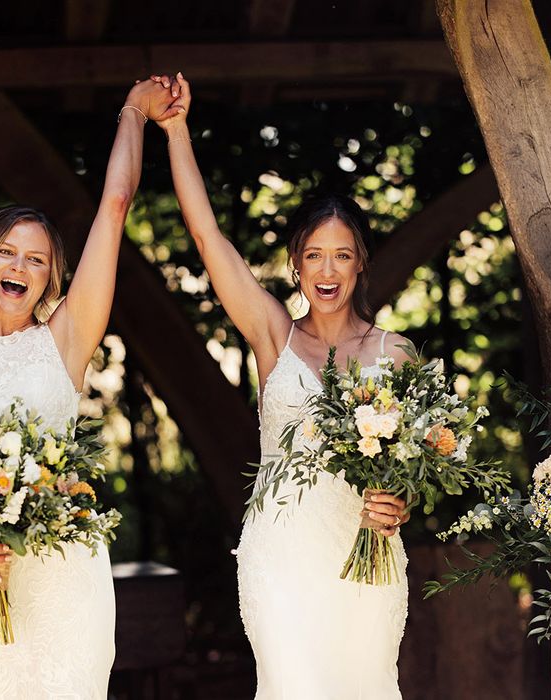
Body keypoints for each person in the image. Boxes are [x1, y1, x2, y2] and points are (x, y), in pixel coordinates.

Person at [0, 80, 181, 699]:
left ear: (52, 278)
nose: (19, 267)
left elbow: (115, 204)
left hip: (62, 582)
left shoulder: (65, 342)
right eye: (6, 253)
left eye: (37, 260)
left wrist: (134, 111)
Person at [151, 72, 410, 699]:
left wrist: (400, 505)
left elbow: (409, 470)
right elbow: (207, 238)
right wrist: (176, 130)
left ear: (360, 265)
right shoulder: (273, 335)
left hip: (366, 557)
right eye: (314, 255)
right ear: (295, 265)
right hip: (282, 557)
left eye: (342, 254)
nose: (328, 269)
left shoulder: (394, 352)